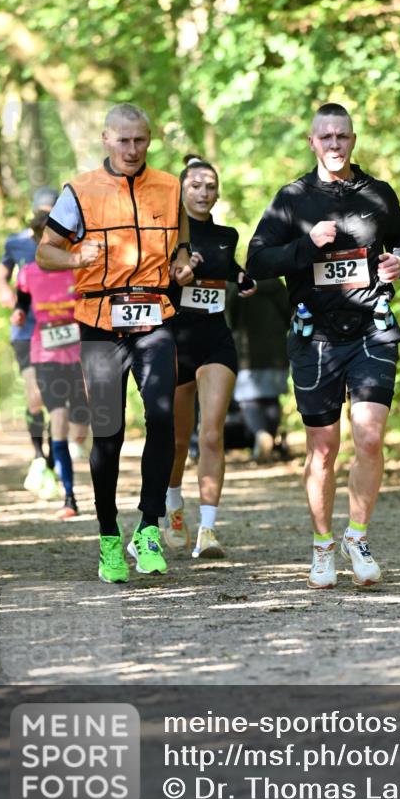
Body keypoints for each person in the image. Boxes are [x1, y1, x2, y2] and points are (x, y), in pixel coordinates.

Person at [247, 103, 400, 589]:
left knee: (369, 436)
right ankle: (323, 546)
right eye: (326, 137)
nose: (335, 144)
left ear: (354, 140)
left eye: (343, 136)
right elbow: (257, 262)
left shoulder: (378, 194)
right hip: (315, 337)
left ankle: (356, 537)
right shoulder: (293, 198)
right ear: (312, 141)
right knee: (323, 449)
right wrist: (305, 245)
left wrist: (399, 263)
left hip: (372, 328)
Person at [36, 103, 193, 583]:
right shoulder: (80, 190)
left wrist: (184, 263)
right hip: (100, 319)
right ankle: (108, 537)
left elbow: (182, 241)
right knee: (108, 431)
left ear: (150, 140)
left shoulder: (169, 187)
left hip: (155, 315)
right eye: (123, 140)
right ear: (105, 139)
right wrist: (77, 255)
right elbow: (46, 252)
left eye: (140, 140)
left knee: (163, 415)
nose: (132, 149)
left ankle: (147, 527)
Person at [164, 154, 256, 559]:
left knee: (212, 432)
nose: (204, 193)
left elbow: (228, 266)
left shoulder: (227, 234)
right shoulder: (166, 234)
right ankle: (172, 507)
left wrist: (241, 277)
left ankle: (208, 529)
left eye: (210, 186)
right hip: (176, 340)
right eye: (196, 186)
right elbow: (153, 280)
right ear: (182, 191)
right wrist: (176, 273)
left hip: (216, 339)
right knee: (178, 440)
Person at [11, 209, 90, 519]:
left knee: (82, 418)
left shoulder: (77, 270)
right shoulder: (28, 273)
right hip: (45, 353)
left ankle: (70, 467)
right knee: (57, 416)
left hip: (79, 355)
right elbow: (23, 301)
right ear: (37, 240)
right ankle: (69, 497)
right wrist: (19, 313)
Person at [0, 186, 61, 500]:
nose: (46, 219)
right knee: (34, 395)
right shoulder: (16, 242)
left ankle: (53, 458)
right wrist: (8, 296)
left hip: (61, 330)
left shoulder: (67, 244)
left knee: (60, 398)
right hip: (27, 332)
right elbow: (3, 276)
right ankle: (39, 456)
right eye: (42, 213)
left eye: (53, 214)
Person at [226, 277, 291, 462]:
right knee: (271, 399)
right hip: (276, 350)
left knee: (247, 400)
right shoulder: (277, 284)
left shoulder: (237, 284)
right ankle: (268, 437)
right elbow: (289, 314)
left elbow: (231, 318)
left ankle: (261, 434)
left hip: (247, 352)